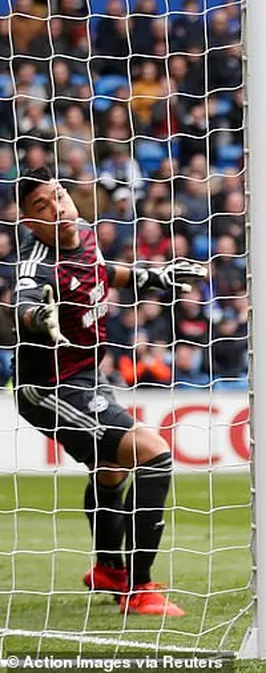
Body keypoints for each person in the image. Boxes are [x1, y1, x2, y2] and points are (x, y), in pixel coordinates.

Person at [14, 166, 205, 616]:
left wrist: (150, 277)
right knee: (153, 454)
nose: (57, 209)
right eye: (42, 207)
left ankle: (108, 570)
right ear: (29, 223)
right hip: (49, 388)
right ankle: (139, 589)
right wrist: (38, 319)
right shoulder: (38, 263)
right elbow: (23, 300)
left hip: (85, 376)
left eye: (59, 196)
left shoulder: (82, 231)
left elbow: (100, 271)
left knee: (111, 468)